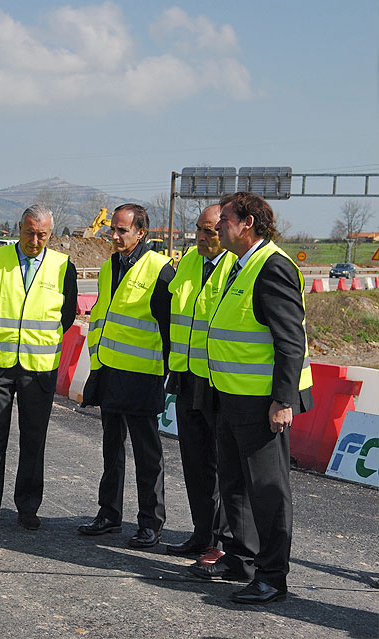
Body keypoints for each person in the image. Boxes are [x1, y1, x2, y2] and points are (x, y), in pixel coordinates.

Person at [189, 192, 313, 605]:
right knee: (235, 484)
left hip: (262, 403)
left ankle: (273, 576)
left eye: (225, 218)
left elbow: (290, 342)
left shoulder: (273, 266)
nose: (218, 224)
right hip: (230, 396)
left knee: (268, 490)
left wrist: (283, 400)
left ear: (248, 223)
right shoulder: (238, 265)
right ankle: (240, 558)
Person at [0, 204, 78, 531]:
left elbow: (68, 314)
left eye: (42, 234)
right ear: (19, 229)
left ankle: (28, 507)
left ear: (50, 234)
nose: (35, 240)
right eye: (29, 232)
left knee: (33, 439)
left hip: (38, 368)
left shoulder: (62, 267)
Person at [78, 203, 174, 548]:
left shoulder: (161, 270)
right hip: (109, 371)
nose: (114, 236)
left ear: (141, 233)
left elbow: (168, 329)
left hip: (143, 376)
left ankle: (151, 522)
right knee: (111, 450)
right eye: (112, 230)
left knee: (148, 455)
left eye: (122, 231)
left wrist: (166, 374)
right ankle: (109, 514)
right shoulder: (108, 268)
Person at [164, 204, 237, 565]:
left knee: (223, 466)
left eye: (210, 231)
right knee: (194, 462)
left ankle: (221, 543)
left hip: (219, 381)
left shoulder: (236, 266)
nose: (203, 237)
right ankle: (201, 533)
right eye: (199, 230)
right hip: (187, 375)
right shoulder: (190, 261)